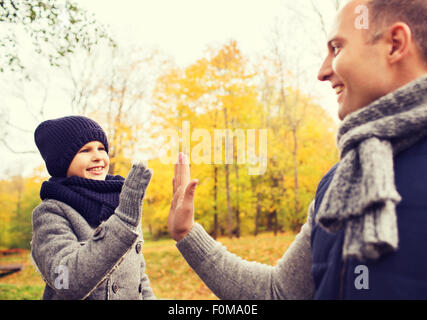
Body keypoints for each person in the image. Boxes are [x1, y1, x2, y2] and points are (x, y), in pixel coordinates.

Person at [168, 0, 427, 299]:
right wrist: (187, 234)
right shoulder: (338, 184)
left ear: (394, 45)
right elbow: (280, 292)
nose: (322, 71)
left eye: (337, 48)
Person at [31, 115, 155, 300]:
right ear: (61, 162)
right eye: (85, 150)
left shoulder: (121, 201)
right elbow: (65, 282)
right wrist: (123, 224)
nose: (98, 156)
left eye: (102, 148)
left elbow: (139, 277)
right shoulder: (51, 212)